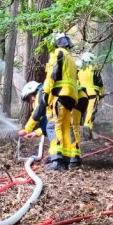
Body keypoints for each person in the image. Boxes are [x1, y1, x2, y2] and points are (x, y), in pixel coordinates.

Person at [43, 32, 80, 171]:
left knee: (55, 126)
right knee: (64, 127)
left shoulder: (58, 53)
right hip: (71, 97)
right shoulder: (71, 58)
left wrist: (46, 92)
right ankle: (64, 160)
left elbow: (53, 74)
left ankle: (57, 160)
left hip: (60, 94)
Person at [76, 52, 104, 140]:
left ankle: (78, 130)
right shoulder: (94, 70)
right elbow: (100, 84)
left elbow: (78, 83)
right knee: (90, 113)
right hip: (92, 95)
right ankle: (87, 132)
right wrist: (102, 94)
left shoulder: (80, 70)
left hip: (82, 95)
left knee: (81, 113)